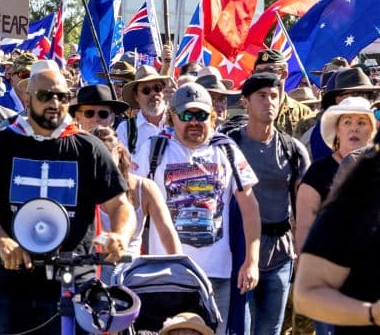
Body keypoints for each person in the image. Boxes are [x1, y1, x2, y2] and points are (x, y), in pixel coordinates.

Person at [0, 67, 136, 334]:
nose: (54, 103)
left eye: (62, 96)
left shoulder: (89, 148)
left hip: (77, 279)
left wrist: (120, 235)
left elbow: (120, 205)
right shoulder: (0, 144)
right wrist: (3, 242)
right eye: (45, 95)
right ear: (28, 97)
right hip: (16, 281)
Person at [132, 83, 261, 333]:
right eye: (186, 115)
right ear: (172, 116)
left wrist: (251, 261)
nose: (194, 122)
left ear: (212, 116)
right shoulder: (153, 149)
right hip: (166, 275)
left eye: (201, 115)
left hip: (216, 273)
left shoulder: (226, 149)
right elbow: (135, 206)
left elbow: (250, 206)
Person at [227, 73, 309, 335]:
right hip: (238, 251)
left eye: (274, 96)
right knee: (241, 326)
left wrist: (302, 252)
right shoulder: (229, 145)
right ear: (245, 102)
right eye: (261, 96)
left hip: (280, 251)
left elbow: (304, 205)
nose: (269, 102)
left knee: (270, 328)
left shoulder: (292, 149)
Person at [295, 96, 376, 335]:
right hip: (329, 276)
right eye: (348, 122)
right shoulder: (319, 172)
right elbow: (305, 224)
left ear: (372, 130)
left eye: (362, 123)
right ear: (337, 131)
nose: (354, 128)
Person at [91, 126, 181, 263]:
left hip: (130, 273)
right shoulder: (82, 188)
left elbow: (167, 232)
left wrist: (180, 267)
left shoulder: (144, 187)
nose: (101, 165)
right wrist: (104, 239)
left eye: (105, 157)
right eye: (94, 159)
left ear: (119, 152)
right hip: (91, 272)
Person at [250, 49, 316, 137]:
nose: (263, 76)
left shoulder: (303, 113)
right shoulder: (246, 110)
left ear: (284, 74)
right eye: (258, 72)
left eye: (270, 71)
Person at [118, 65, 172, 154]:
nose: (153, 93)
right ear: (136, 96)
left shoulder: (178, 122)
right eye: (146, 90)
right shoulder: (125, 129)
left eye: (157, 88)